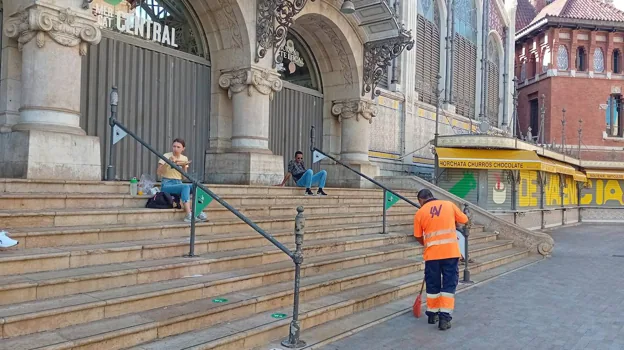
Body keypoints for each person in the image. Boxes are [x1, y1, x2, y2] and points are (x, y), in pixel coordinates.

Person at [413, 189, 469, 331]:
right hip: (450, 253)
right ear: (431, 196)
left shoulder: (420, 213)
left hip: (432, 255)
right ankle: (444, 318)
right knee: (449, 285)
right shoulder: (448, 205)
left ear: (421, 200)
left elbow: (418, 236)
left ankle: (432, 314)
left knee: (433, 284)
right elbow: (464, 220)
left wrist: (426, 244)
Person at [157, 138, 207, 222]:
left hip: (178, 183)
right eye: (174, 146)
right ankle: (188, 215)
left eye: (178, 147)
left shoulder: (184, 158)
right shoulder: (166, 156)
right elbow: (158, 172)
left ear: (183, 148)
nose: (175, 149)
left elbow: (184, 177)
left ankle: (198, 211)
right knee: (185, 187)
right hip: (167, 184)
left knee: (199, 187)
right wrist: (168, 162)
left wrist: (184, 166)